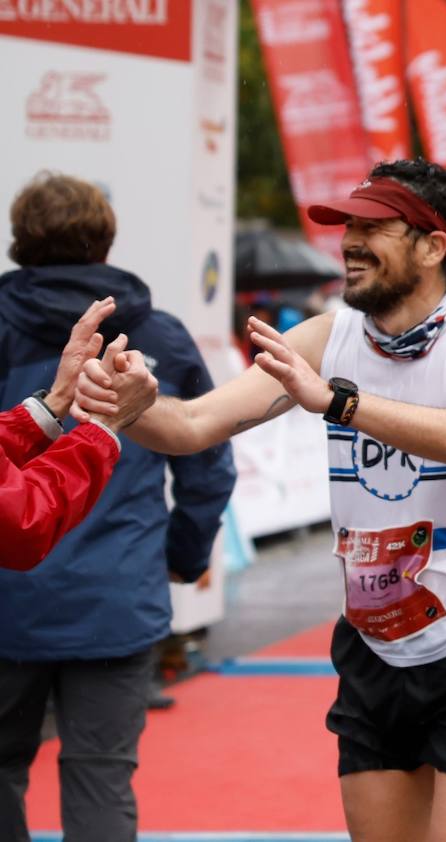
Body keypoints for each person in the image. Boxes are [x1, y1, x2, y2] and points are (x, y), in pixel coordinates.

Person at [78, 159, 446, 842]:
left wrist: (335, 401)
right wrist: (133, 408)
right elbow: (191, 427)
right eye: (346, 227)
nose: (350, 242)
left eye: (372, 227)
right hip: (374, 644)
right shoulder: (329, 339)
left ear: (433, 245)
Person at [0, 172, 235, 842]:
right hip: (117, 593)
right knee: (101, 778)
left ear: (21, 243)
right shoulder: (158, 331)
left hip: (8, 595)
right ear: (105, 240)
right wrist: (181, 558)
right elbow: (207, 460)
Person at [0, 299, 158, 571]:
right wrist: (102, 427)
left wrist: (57, 400)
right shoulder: (164, 330)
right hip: (123, 571)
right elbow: (22, 523)